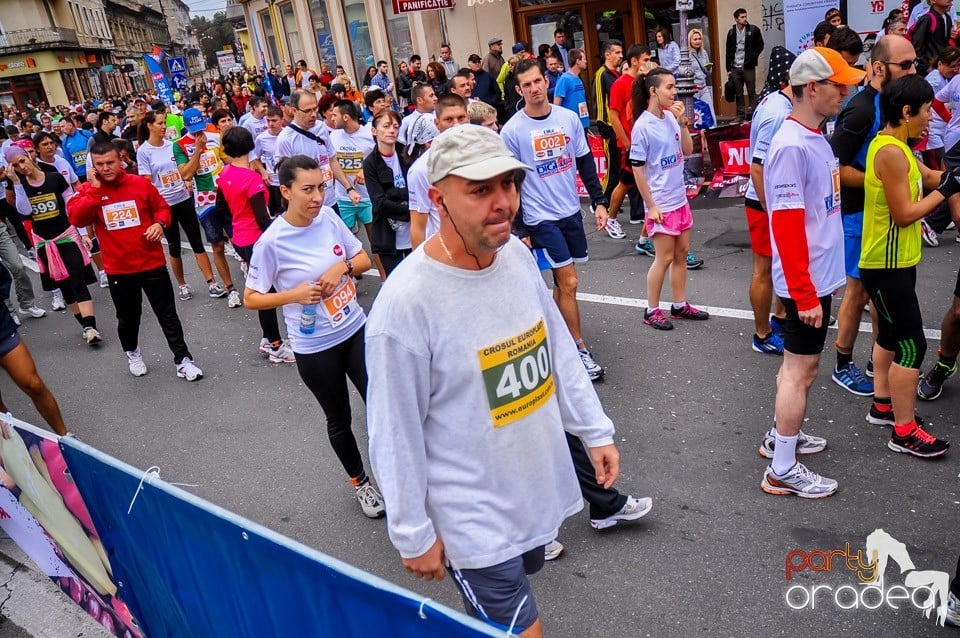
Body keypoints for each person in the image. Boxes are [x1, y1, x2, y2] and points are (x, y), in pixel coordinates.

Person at [366, 124, 624, 638]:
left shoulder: (517, 257)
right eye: (480, 190)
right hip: (469, 512)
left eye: (508, 184)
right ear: (439, 199)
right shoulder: (405, 304)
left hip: (529, 486)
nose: (503, 202)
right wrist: (412, 530)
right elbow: (393, 429)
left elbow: (555, 347)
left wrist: (594, 428)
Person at [242, 154, 384, 518]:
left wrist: (343, 267)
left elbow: (363, 260)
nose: (317, 197)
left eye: (321, 187)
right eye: (308, 190)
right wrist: (294, 295)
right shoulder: (271, 242)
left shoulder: (328, 219)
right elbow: (251, 298)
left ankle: (399, 474)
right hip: (315, 345)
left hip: (354, 329)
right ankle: (361, 484)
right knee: (339, 417)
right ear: (285, 191)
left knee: (383, 405)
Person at [759, 47, 865, 498]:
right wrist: (801, 293)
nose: (845, 91)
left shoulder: (814, 134)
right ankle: (782, 465)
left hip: (815, 276)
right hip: (806, 280)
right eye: (837, 84)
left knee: (798, 369)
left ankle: (781, 437)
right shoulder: (790, 144)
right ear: (811, 87)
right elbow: (784, 225)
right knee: (801, 371)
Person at [859, 74, 952, 457]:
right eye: (927, 110)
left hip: (895, 263)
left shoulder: (898, 146)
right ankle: (904, 431)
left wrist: (951, 178)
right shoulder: (891, 152)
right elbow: (904, 214)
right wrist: (948, 190)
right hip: (886, 265)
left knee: (889, 336)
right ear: (906, 111)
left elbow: (929, 177)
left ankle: (883, 406)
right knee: (911, 345)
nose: (931, 117)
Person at [501, 59, 609, 381]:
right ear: (519, 90)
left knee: (563, 285)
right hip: (539, 217)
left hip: (569, 212)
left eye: (538, 81)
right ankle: (578, 350)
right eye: (527, 85)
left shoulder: (568, 119)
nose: (534, 88)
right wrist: (520, 228)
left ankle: (551, 333)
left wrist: (600, 202)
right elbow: (510, 182)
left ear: (546, 81)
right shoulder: (512, 131)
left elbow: (585, 162)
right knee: (570, 282)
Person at [67, 142, 204, 381]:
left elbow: (163, 208)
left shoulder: (140, 184)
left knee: (168, 314)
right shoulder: (90, 191)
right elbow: (77, 217)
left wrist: (159, 223)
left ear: (121, 160)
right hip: (119, 269)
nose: (106, 168)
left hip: (152, 263)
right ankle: (133, 353)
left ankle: (183, 360)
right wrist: (94, 190)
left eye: (110, 162)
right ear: (93, 167)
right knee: (129, 318)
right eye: (100, 165)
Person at [830, 34, 918, 397]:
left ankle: (879, 359)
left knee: (884, 290)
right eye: (907, 65)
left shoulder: (896, 104)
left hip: (886, 215)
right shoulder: (863, 108)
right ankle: (842, 364)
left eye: (916, 63)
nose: (915, 70)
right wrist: (883, 182)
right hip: (858, 215)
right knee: (858, 290)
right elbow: (832, 167)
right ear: (879, 67)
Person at [628, 68, 709, 331]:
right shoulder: (642, 126)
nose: (675, 93)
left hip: (679, 198)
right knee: (662, 258)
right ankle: (651, 309)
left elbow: (687, 150)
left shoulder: (670, 118)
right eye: (670, 87)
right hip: (661, 203)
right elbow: (637, 169)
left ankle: (679, 304)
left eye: (674, 87)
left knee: (682, 254)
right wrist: (650, 206)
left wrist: (683, 123)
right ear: (653, 91)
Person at [5, 146, 100, 345]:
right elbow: (25, 211)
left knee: (77, 280)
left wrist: (82, 233)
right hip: (45, 243)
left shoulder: (54, 177)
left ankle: (91, 326)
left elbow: (71, 206)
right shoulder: (20, 185)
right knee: (65, 285)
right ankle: (84, 326)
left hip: (66, 235)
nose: (22, 167)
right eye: (16, 165)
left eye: (23, 160)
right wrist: (17, 184)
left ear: (30, 156)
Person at [216, 126, 293, 363]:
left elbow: (221, 209)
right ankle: (275, 345)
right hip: (258, 240)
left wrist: (231, 233)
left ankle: (266, 338)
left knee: (263, 288)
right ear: (250, 146)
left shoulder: (225, 173)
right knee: (266, 293)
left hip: (240, 238)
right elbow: (262, 218)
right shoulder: (252, 179)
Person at [743, 46, 796, 356]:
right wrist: (769, 206)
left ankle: (779, 318)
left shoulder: (780, 101)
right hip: (764, 201)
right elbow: (757, 165)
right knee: (763, 269)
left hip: (775, 199)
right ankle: (762, 335)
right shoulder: (777, 111)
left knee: (780, 264)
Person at [137, 111, 219, 301]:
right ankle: (182, 284)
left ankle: (212, 283)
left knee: (197, 242)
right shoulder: (143, 151)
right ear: (150, 126)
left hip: (183, 198)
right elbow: (147, 182)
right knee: (174, 246)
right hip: (164, 204)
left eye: (164, 122)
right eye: (159, 123)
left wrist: (186, 181)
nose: (164, 126)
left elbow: (183, 170)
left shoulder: (172, 145)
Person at [173, 107, 241, 308]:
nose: (198, 132)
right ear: (185, 126)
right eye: (193, 129)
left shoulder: (215, 135)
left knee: (239, 237)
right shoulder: (180, 145)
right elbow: (185, 174)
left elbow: (226, 159)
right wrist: (197, 149)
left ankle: (253, 273)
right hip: (204, 199)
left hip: (224, 192)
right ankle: (231, 289)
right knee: (217, 244)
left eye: (200, 127)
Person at [0, 266, 68, 436]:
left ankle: (66, 439)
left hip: (2, 330)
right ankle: (12, 447)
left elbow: (3, 278)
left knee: (34, 384)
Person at [409, 94, 470, 249]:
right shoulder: (422, 169)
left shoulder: (483, 154)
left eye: (461, 118)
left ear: (468, 118)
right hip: (447, 255)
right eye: (448, 120)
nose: (456, 125)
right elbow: (418, 226)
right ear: (437, 123)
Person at [362, 110, 411, 277]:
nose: (392, 130)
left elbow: (418, 191)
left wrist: (393, 194)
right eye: (386, 126)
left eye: (396, 126)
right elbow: (379, 203)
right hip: (388, 236)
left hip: (414, 232)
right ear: (374, 131)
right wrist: (411, 209)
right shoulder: (370, 163)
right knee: (396, 283)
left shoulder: (406, 154)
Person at [329, 100, 376, 245]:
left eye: (334, 115)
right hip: (343, 197)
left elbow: (382, 156)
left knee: (376, 243)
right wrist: (348, 188)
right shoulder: (333, 136)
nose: (331, 118)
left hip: (368, 196)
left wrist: (365, 170)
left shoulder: (369, 133)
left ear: (346, 117)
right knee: (347, 243)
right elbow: (333, 162)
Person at [593, 40, 625, 214]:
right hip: (610, 128)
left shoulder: (616, 74)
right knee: (612, 168)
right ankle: (601, 202)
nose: (621, 56)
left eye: (621, 52)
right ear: (607, 54)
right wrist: (604, 127)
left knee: (619, 168)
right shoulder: (601, 74)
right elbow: (599, 101)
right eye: (617, 52)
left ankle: (613, 200)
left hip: (619, 127)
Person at [725, 8, 765, 121]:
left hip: (748, 66)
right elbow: (728, 51)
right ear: (736, 19)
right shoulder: (731, 32)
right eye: (742, 17)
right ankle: (740, 114)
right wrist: (728, 68)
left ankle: (754, 114)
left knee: (751, 91)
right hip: (735, 66)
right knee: (738, 92)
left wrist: (753, 57)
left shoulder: (753, 30)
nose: (745, 19)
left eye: (745, 16)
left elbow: (760, 45)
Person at [253, 106, 285, 216]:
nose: (271, 124)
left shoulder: (288, 135)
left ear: (282, 120)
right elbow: (254, 157)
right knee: (276, 214)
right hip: (273, 182)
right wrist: (263, 172)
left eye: (274, 120)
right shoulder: (261, 138)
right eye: (268, 120)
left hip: (288, 180)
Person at [910, 0, 953, 75]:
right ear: (933, 1)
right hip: (929, 69)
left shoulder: (948, 18)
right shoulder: (926, 19)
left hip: (942, 67)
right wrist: (926, 67)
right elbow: (916, 46)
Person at [553, 48, 590, 131]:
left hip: (582, 122)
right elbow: (556, 104)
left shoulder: (578, 78)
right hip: (571, 125)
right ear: (578, 61)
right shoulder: (564, 79)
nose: (586, 61)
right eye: (584, 59)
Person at [689, 29, 716, 127]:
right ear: (690, 41)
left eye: (699, 39)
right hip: (693, 89)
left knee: (710, 111)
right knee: (697, 115)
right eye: (695, 39)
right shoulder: (687, 55)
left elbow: (707, 72)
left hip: (703, 87)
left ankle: (713, 132)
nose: (697, 41)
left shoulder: (704, 53)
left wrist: (709, 68)